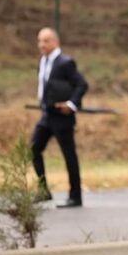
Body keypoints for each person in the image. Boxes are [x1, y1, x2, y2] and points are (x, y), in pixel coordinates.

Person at [31, 27, 88, 208]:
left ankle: (75, 196)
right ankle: (43, 190)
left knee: (68, 155)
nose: (42, 45)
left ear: (55, 42)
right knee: (33, 149)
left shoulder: (65, 63)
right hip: (47, 115)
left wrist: (71, 104)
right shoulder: (42, 62)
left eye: (46, 41)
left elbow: (81, 84)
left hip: (62, 117)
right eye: (40, 41)